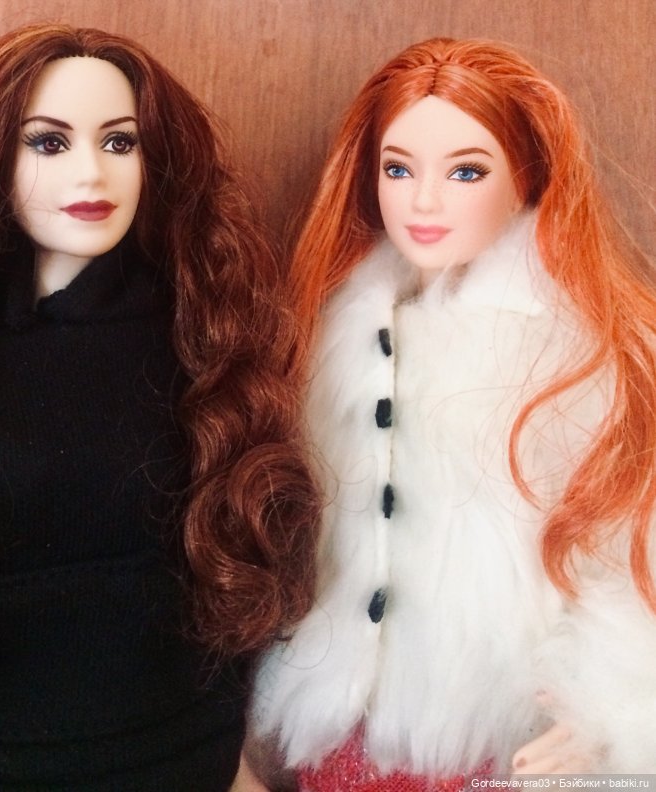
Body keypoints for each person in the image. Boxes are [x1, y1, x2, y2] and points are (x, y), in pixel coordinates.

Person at [0, 23, 318, 791]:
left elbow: (233, 572)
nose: (92, 173)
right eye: (49, 142)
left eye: (120, 142)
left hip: (177, 753)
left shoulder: (208, 335)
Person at [248, 37, 656, 790]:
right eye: (398, 169)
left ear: (526, 176)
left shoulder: (578, 350)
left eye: (466, 171)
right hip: (343, 728)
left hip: (499, 734)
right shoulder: (325, 341)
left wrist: (609, 703)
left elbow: (629, 548)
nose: (424, 201)